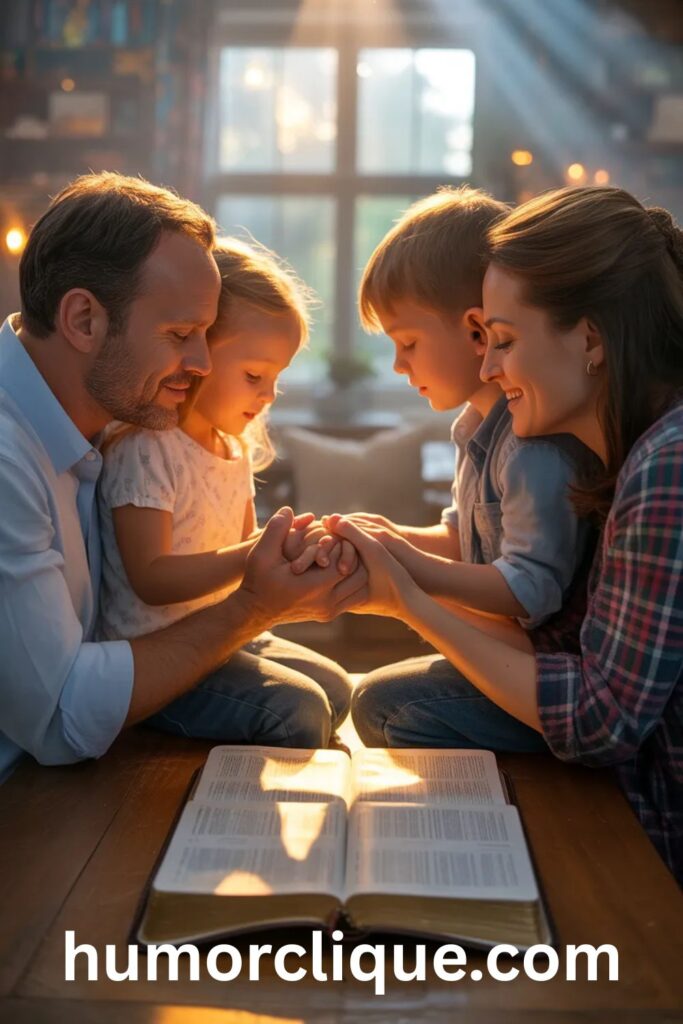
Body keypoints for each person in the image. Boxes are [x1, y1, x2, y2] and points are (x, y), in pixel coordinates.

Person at [329, 185, 682, 882]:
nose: (487, 366)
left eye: (506, 340)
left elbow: (597, 722)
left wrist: (406, 598)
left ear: (589, 340)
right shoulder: (633, 455)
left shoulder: (666, 467)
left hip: (650, 838)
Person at [0, 172, 367, 780]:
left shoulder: (94, 426)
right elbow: (63, 718)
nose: (200, 363)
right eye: (180, 335)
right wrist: (252, 604)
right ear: (84, 320)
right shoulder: (13, 459)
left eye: (206, 334)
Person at [306, 186, 596, 751]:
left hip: (543, 674)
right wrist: (386, 537)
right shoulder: (475, 428)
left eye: (408, 341)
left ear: (476, 332)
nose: (397, 363)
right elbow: (466, 539)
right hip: (506, 645)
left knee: (387, 704)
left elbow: (530, 588)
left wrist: (406, 569)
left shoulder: (531, 446)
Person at [97, 237, 352, 743]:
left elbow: (244, 570)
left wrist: (294, 555)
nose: (268, 395)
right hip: (161, 654)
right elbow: (151, 578)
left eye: (276, 379)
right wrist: (251, 556)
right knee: (299, 711)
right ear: (199, 354)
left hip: (225, 638)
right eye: (255, 375)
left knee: (338, 689)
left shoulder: (233, 450)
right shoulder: (149, 448)